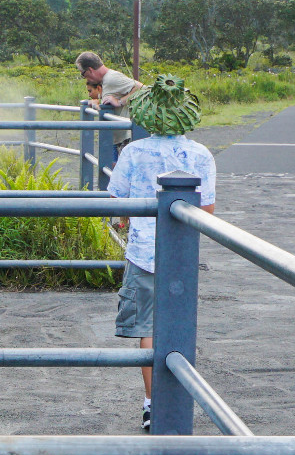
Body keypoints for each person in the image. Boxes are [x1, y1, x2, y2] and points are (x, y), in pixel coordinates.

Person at [107, 73, 215, 431]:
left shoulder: (134, 152)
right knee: (180, 325)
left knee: (150, 327)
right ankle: (178, 400)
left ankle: (154, 403)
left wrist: (124, 219)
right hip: (182, 255)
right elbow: (208, 211)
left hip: (143, 252)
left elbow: (116, 200)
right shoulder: (200, 155)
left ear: (148, 114)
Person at [77, 51, 143, 112]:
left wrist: (120, 102)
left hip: (127, 123)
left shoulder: (111, 78)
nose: (85, 78)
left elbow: (141, 88)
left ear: (90, 70)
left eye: (83, 74)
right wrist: (96, 104)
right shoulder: (105, 81)